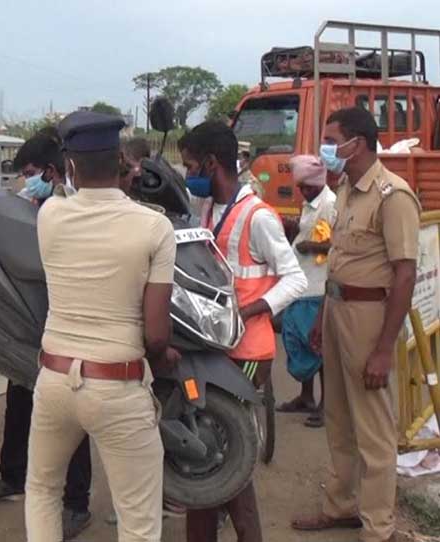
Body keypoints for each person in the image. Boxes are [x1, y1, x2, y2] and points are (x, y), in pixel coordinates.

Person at [25, 111, 177, 542]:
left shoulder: (50, 216)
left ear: (70, 165)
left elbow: (60, 197)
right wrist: (164, 357)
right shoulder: (155, 227)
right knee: (138, 519)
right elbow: (157, 334)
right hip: (117, 384)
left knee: (41, 489)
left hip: (54, 379)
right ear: (123, 162)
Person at [292, 107, 420, 542]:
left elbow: (405, 275)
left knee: (374, 428)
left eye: (331, 140)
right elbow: (340, 262)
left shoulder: (392, 196)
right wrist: (323, 318)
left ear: (358, 143)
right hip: (337, 311)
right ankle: (341, 506)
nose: (325, 149)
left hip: (370, 318)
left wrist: (384, 349)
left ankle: (378, 527)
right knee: (340, 418)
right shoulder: (345, 187)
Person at [178, 121, 307, 542]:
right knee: (211, 453)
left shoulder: (258, 216)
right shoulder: (210, 210)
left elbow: (295, 279)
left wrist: (251, 310)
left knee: (225, 454)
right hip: (219, 347)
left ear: (212, 164)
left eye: (191, 166)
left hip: (248, 351)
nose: (189, 174)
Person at [0, 131, 94, 541]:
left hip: (67, 324)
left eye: (30, 174)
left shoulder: (75, 207)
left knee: (70, 412)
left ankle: (77, 504)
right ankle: (12, 476)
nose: (26, 183)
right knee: (18, 398)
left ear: (52, 170)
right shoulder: (42, 203)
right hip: (32, 322)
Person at [277, 155, 336, 428]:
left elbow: (337, 244)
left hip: (317, 284)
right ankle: (306, 396)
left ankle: (327, 405)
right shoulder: (311, 203)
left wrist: (311, 246)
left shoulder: (330, 204)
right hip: (303, 282)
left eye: (307, 187)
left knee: (318, 345)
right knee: (301, 341)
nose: (303, 191)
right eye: (301, 187)